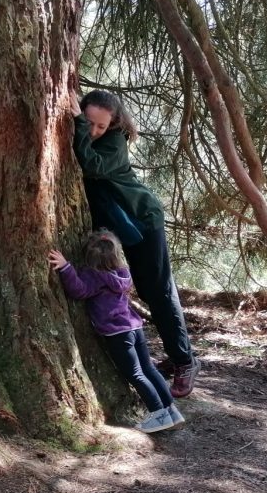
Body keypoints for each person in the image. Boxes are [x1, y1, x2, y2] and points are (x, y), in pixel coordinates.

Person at [71, 89, 200, 397]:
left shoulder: (114, 141)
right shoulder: (92, 134)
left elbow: (91, 166)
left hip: (141, 219)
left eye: (100, 126)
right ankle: (177, 354)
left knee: (157, 289)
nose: (94, 131)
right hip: (121, 224)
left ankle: (185, 360)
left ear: (112, 125)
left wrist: (77, 121)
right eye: (89, 122)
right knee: (142, 288)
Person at [48, 232, 184, 434]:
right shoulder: (123, 273)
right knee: (149, 369)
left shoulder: (95, 276)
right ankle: (171, 410)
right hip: (134, 327)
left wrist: (67, 267)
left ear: (89, 258)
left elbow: (79, 290)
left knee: (136, 374)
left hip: (117, 332)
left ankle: (159, 413)